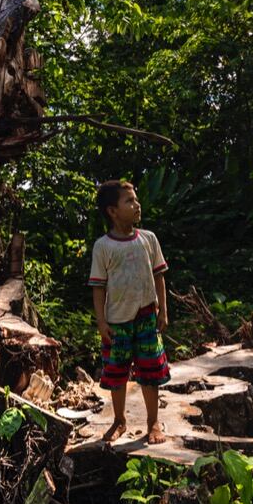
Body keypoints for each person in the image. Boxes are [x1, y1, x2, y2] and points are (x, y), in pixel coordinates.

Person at [88, 180, 170, 445]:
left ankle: (152, 422)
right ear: (112, 211)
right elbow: (98, 288)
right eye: (130, 201)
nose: (137, 205)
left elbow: (159, 276)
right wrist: (101, 321)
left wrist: (163, 310)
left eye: (136, 200)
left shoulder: (148, 239)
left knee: (150, 370)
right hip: (116, 321)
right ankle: (119, 420)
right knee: (116, 373)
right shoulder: (103, 246)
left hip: (147, 315)